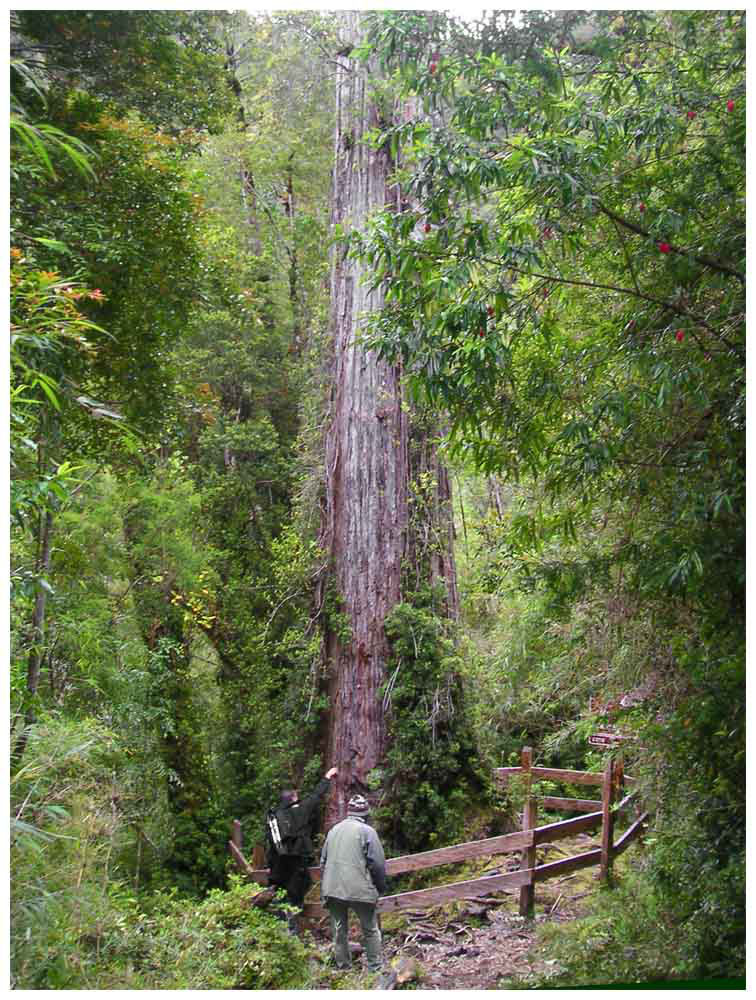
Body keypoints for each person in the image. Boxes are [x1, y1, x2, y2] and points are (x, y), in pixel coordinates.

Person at [320, 794, 387, 977]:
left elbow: (323, 861)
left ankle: (344, 969)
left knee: (339, 929)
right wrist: (380, 887)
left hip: (333, 888)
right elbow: (377, 863)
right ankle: (375, 969)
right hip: (359, 888)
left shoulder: (333, 830)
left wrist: (325, 887)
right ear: (366, 813)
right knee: (370, 929)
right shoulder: (367, 831)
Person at [266, 765, 337, 930]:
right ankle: (290, 938)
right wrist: (327, 777)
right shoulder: (301, 811)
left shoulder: (274, 816)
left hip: (278, 866)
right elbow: (316, 797)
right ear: (293, 798)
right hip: (297, 864)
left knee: (280, 900)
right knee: (294, 901)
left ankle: (279, 935)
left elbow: (269, 843)